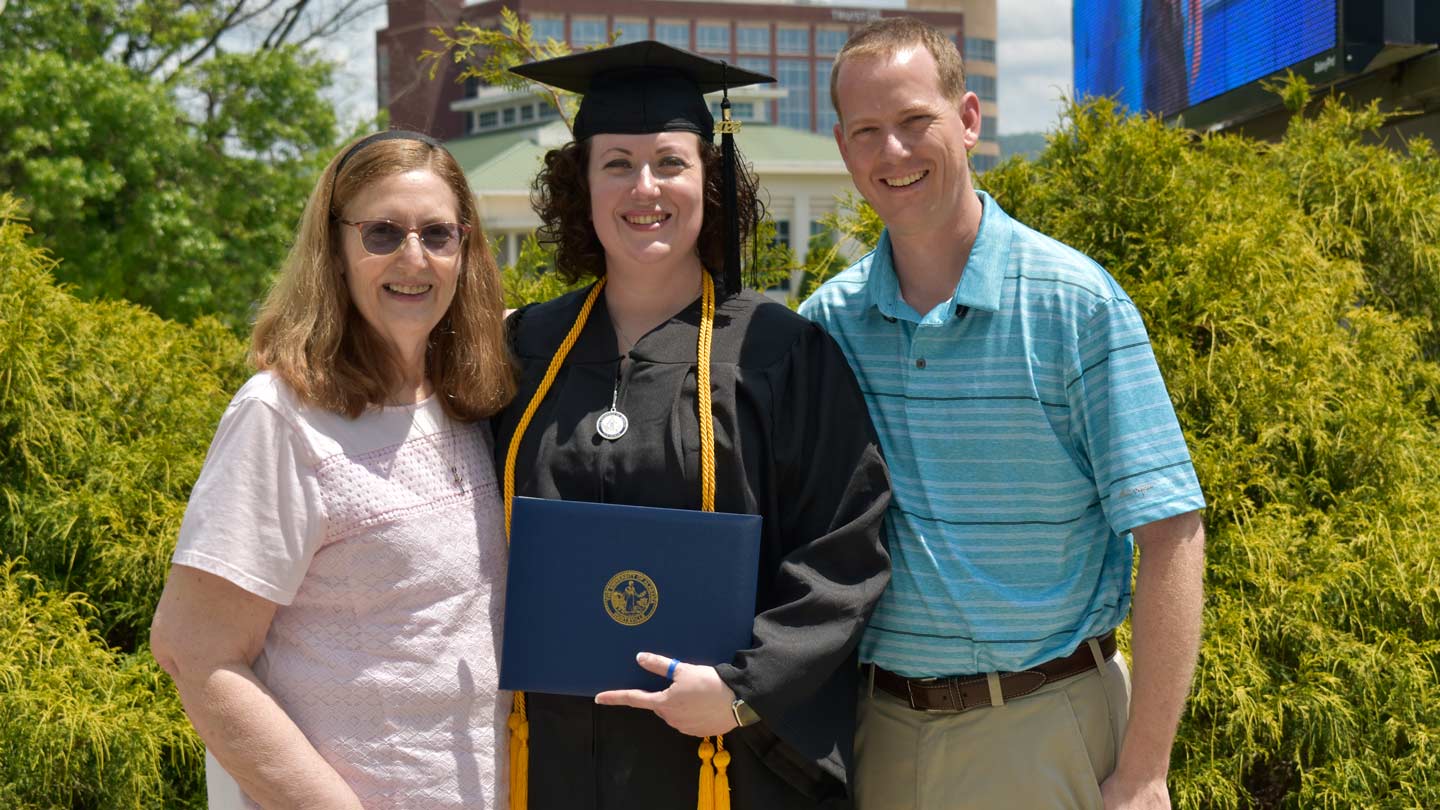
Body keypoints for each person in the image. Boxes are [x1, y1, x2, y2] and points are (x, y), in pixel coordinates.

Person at [800, 18, 1207, 810]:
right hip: (878, 733)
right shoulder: (827, 326)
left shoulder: (1074, 306)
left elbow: (1171, 531)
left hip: (1043, 728)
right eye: (868, 132)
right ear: (845, 150)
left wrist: (1147, 768)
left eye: (916, 121)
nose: (894, 152)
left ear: (970, 119)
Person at [495, 41, 892, 808]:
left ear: (709, 180)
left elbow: (845, 548)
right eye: (616, 162)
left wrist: (744, 688)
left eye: (670, 162)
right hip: (548, 759)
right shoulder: (524, 350)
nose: (645, 187)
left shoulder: (781, 353)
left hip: (724, 761)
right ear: (580, 182)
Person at [149, 130, 516, 809]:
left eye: (438, 234)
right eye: (382, 233)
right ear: (336, 251)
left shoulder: (471, 403)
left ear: (465, 251)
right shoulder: (282, 419)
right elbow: (195, 651)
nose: (414, 258)